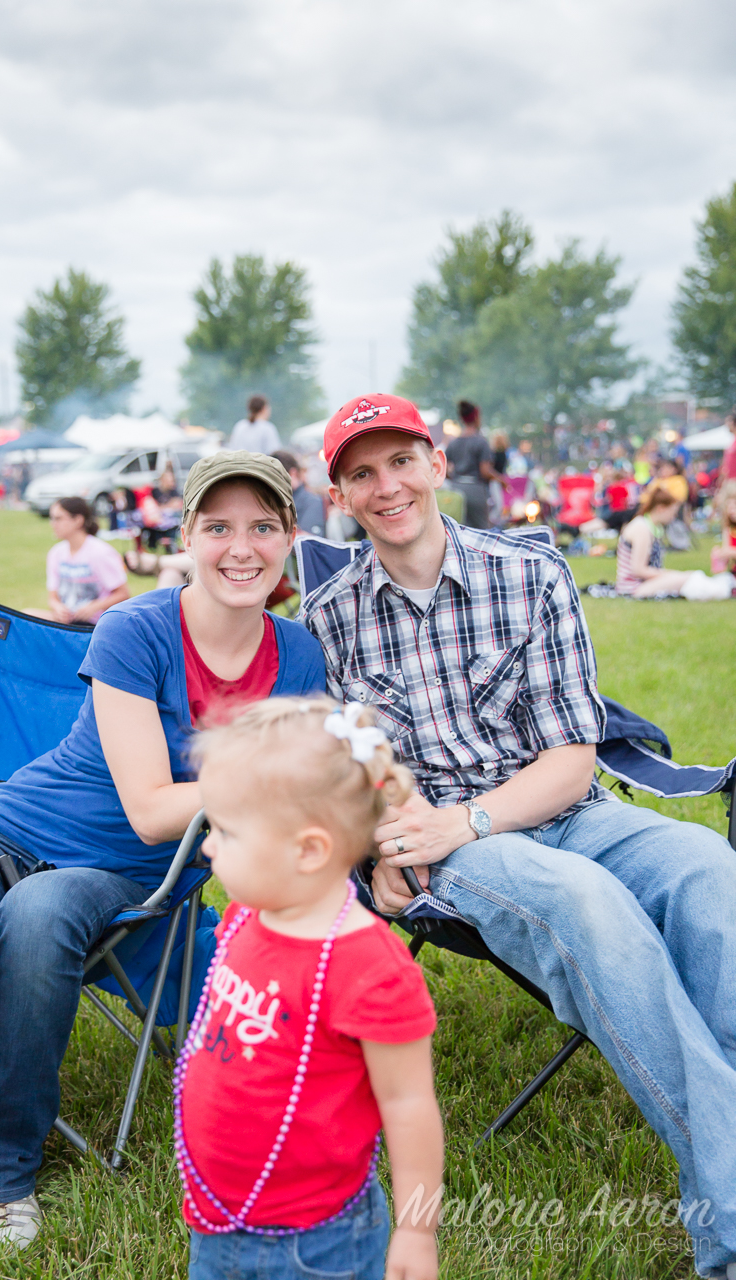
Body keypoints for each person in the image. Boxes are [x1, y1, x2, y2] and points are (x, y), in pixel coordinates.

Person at [301, 392, 736, 1277]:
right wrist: (376, 854)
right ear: (338, 497)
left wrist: (473, 811)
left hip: (562, 809)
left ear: (433, 461)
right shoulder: (330, 620)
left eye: (398, 462)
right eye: (361, 474)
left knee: (705, 866)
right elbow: (348, 773)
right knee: (588, 904)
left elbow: (573, 763)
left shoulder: (529, 575)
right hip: (454, 850)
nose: (386, 487)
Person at [0, 453, 325, 1249]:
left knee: (37, 922)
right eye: (218, 526)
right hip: (9, 826)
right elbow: (154, 804)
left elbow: (168, 833)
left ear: (291, 537)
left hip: (123, 874)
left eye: (263, 527)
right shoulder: (136, 628)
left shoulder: (297, 657)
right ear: (184, 535)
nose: (240, 548)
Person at [177, 696, 442, 1280]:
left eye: (226, 831)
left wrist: (418, 1229)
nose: (207, 846)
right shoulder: (249, 915)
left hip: (318, 1245)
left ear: (309, 850)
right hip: (217, 1220)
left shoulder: (370, 969)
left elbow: (409, 1105)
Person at [29, 497, 130, 625]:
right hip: (65, 623)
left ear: (78, 520)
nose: (52, 524)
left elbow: (123, 594)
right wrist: (57, 608)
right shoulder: (56, 553)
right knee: (24, 617)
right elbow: (52, 597)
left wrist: (94, 607)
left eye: (58, 518)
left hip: (95, 626)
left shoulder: (100, 552)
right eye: (52, 518)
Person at [615, 484, 693, 598]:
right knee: (687, 578)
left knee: (687, 577)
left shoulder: (650, 527)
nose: (674, 516)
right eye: (672, 511)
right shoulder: (641, 528)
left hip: (642, 585)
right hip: (634, 588)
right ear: (660, 508)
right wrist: (668, 574)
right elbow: (638, 570)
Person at [445, 400, 508, 529]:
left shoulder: (454, 443)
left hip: (455, 489)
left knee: (458, 529)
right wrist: (501, 480)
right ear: (476, 418)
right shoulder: (481, 441)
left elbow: (444, 469)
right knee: (481, 530)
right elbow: (485, 471)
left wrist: (455, 479)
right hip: (475, 490)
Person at [272, 448, 326, 535]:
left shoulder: (311, 501)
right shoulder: (276, 500)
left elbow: (310, 540)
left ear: (292, 473)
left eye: (276, 476)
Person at [712, 480, 736, 575]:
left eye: (735, 504)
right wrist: (718, 555)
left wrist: (727, 552)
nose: (731, 508)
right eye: (728, 504)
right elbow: (726, 551)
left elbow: (728, 551)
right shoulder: (729, 529)